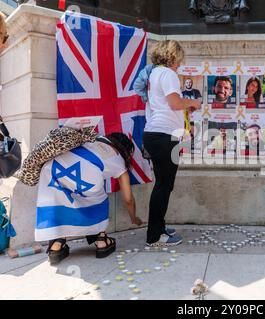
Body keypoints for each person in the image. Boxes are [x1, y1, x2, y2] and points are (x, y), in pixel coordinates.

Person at [35, 133, 143, 265]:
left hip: (52, 168)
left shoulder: (93, 139)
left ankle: (56, 245)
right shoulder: (118, 160)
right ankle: (101, 240)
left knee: (59, 200)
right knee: (98, 197)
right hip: (84, 176)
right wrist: (133, 218)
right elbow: (128, 199)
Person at [143, 40, 201, 247]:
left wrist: (185, 107)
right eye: (179, 60)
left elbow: (169, 105)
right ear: (172, 56)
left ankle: (158, 227)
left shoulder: (155, 74)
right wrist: (193, 102)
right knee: (163, 186)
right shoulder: (167, 74)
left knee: (163, 185)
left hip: (157, 134)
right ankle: (155, 236)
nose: (180, 64)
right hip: (164, 135)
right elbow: (175, 103)